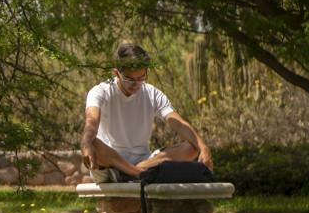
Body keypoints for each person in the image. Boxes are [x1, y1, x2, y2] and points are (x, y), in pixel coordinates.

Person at [80, 42, 213, 183]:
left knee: (192, 147)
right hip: (110, 163)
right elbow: (92, 121)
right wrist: (85, 143)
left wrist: (204, 148)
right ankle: (138, 173)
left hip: (145, 161)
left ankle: (131, 173)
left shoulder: (152, 93)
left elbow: (180, 125)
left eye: (141, 78)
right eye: (130, 79)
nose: (136, 85)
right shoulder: (100, 91)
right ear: (116, 72)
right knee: (92, 141)